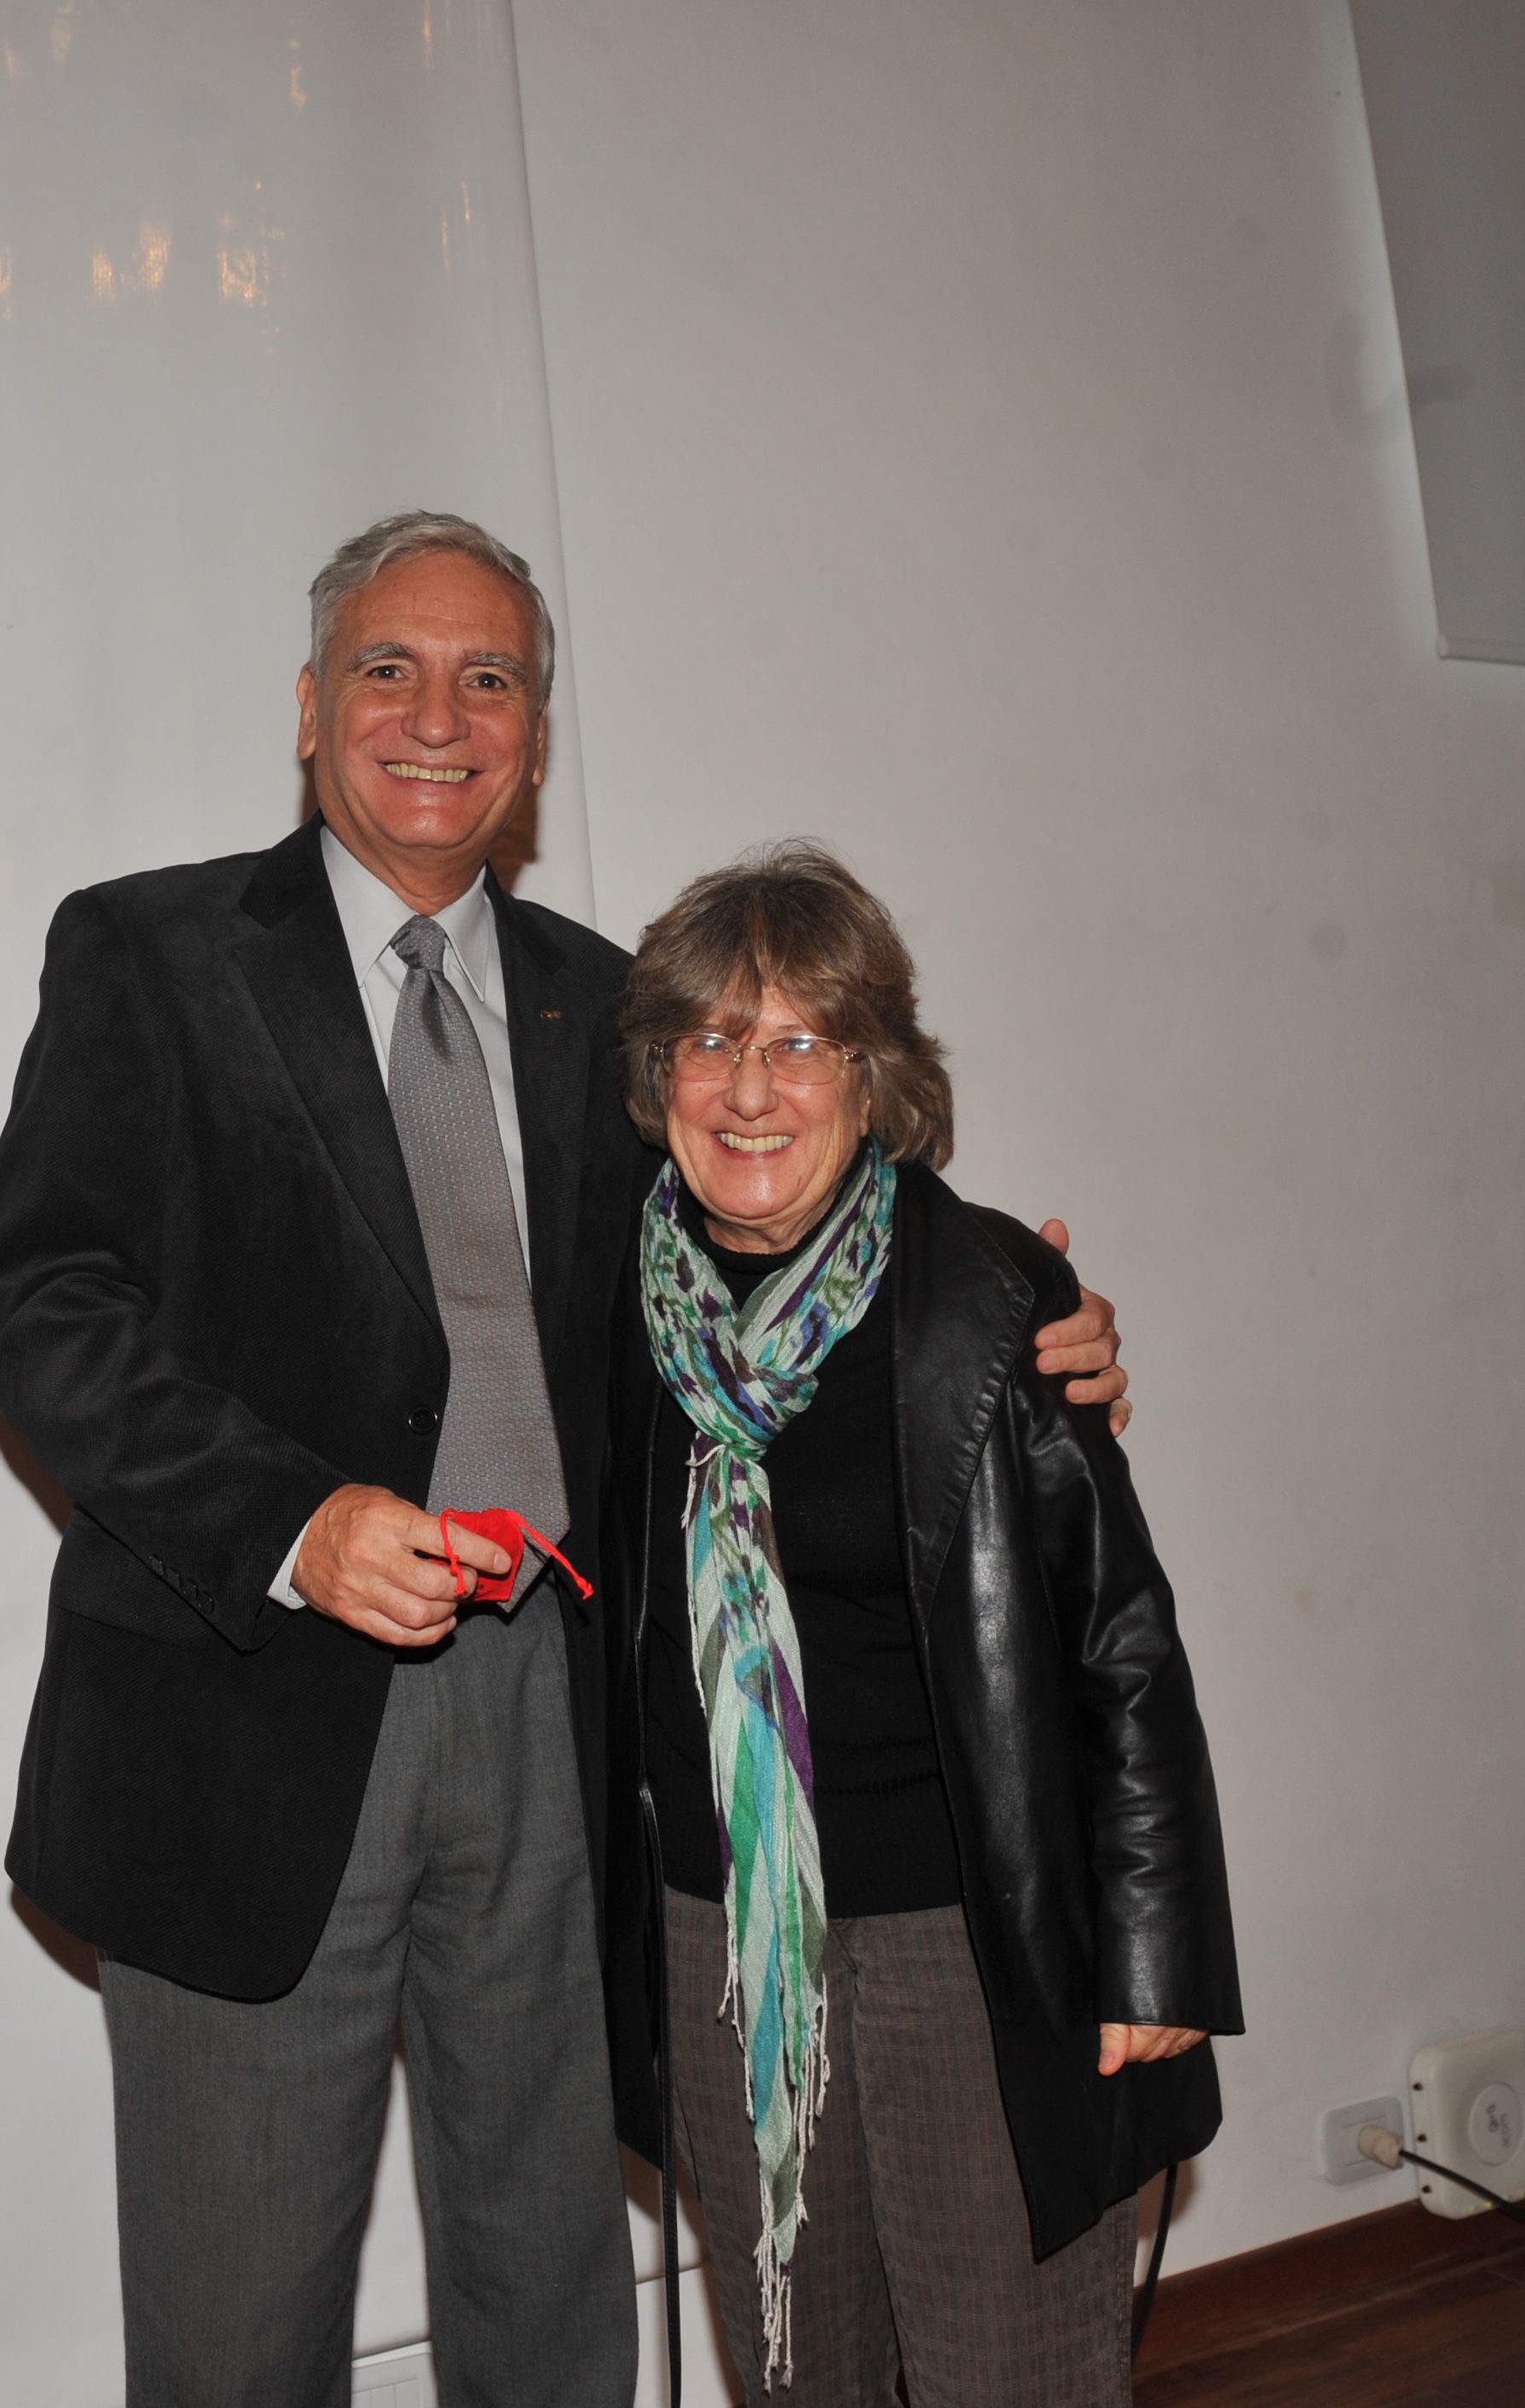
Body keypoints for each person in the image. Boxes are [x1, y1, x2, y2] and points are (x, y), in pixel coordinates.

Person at [0, 514, 1130, 2408]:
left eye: (489, 679)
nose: (439, 717)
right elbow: (46, 1310)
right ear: (309, 706)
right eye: (390, 669)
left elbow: (771, 1220)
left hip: (573, 1718)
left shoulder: (612, 1007)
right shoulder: (147, 953)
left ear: (533, 734)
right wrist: (295, 1522)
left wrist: (1010, 1312)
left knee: (552, 2292)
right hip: (251, 1713)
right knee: (236, 2332)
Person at [595, 843, 1238, 2408]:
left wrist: (1153, 1954)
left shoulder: (992, 1298)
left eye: (801, 1042)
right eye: (711, 1039)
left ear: (874, 1078)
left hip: (969, 1937)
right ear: (659, 1077)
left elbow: (1121, 1650)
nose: (752, 1088)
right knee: (803, 2376)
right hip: (725, 1943)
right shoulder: (609, 1305)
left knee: (1006, 2374)